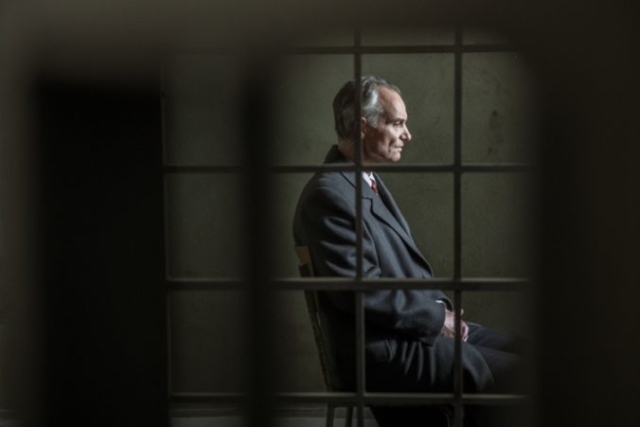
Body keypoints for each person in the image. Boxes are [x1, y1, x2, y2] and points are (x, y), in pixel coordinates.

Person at [293, 76, 523, 426]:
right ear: (363, 127)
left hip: (409, 330)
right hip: (382, 349)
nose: (408, 135)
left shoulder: (363, 181)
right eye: (397, 123)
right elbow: (360, 291)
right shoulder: (329, 194)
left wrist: (440, 313)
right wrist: (436, 319)